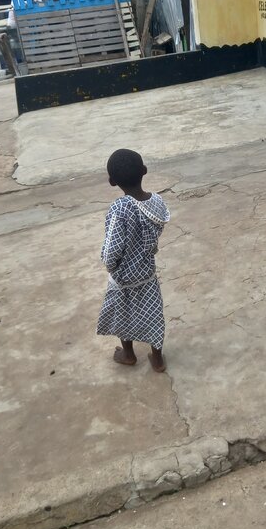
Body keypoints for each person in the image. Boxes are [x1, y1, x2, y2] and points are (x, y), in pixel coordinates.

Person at [96, 149, 171, 371]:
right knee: (153, 313)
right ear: (144, 171)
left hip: (123, 277)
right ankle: (157, 359)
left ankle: (128, 354)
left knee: (123, 312)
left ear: (112, 181)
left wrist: (111, 266)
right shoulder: (156, 202)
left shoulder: (120, 208)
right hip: (147, 273)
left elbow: (112, 248)